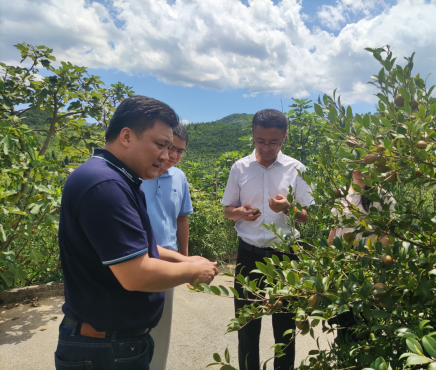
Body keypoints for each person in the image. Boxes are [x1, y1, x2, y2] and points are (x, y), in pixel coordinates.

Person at [55, 95, 218, 370]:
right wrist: (194, 272)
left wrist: (186, 259)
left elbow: (142, 248)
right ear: (127, 136)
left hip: (115, 343)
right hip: (105, 350)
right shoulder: (105, 185)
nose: (166, 156)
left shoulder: (118, 178)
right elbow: (135, 274)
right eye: (160, 145)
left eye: (170, 148)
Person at [222, 109, 313, 370]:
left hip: (286, 257)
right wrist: (240, 213)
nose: (266, 147)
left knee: (284, 327)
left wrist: (288, 208)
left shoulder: (297, 169)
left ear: (285, 137)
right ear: (252, 134)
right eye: (261, 140)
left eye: (274, 141)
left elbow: (306, 216)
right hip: (248, 253)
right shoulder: (240, 167)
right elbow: (228, 209)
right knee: (247, 325)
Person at [141, 124, 192, 370]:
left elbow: (182, 219)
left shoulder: (179, 177)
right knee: (132, 326)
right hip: (135, 259)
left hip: (167, 263)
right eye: (170, 147)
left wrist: (185, 259)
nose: (173, 155)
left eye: (180, 151)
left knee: (161, 326)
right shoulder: (136, 175)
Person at [327, 170, 395, 342]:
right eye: (356, 162)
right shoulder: (341, 193)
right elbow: (334, 231)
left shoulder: (382, 196)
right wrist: (328, 263)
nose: (359, 168)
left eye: (364, 162)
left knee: (365, 328)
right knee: (344, 329)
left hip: (368, 273)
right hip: (342, 271)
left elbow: (389, 235)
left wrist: (367, 256)